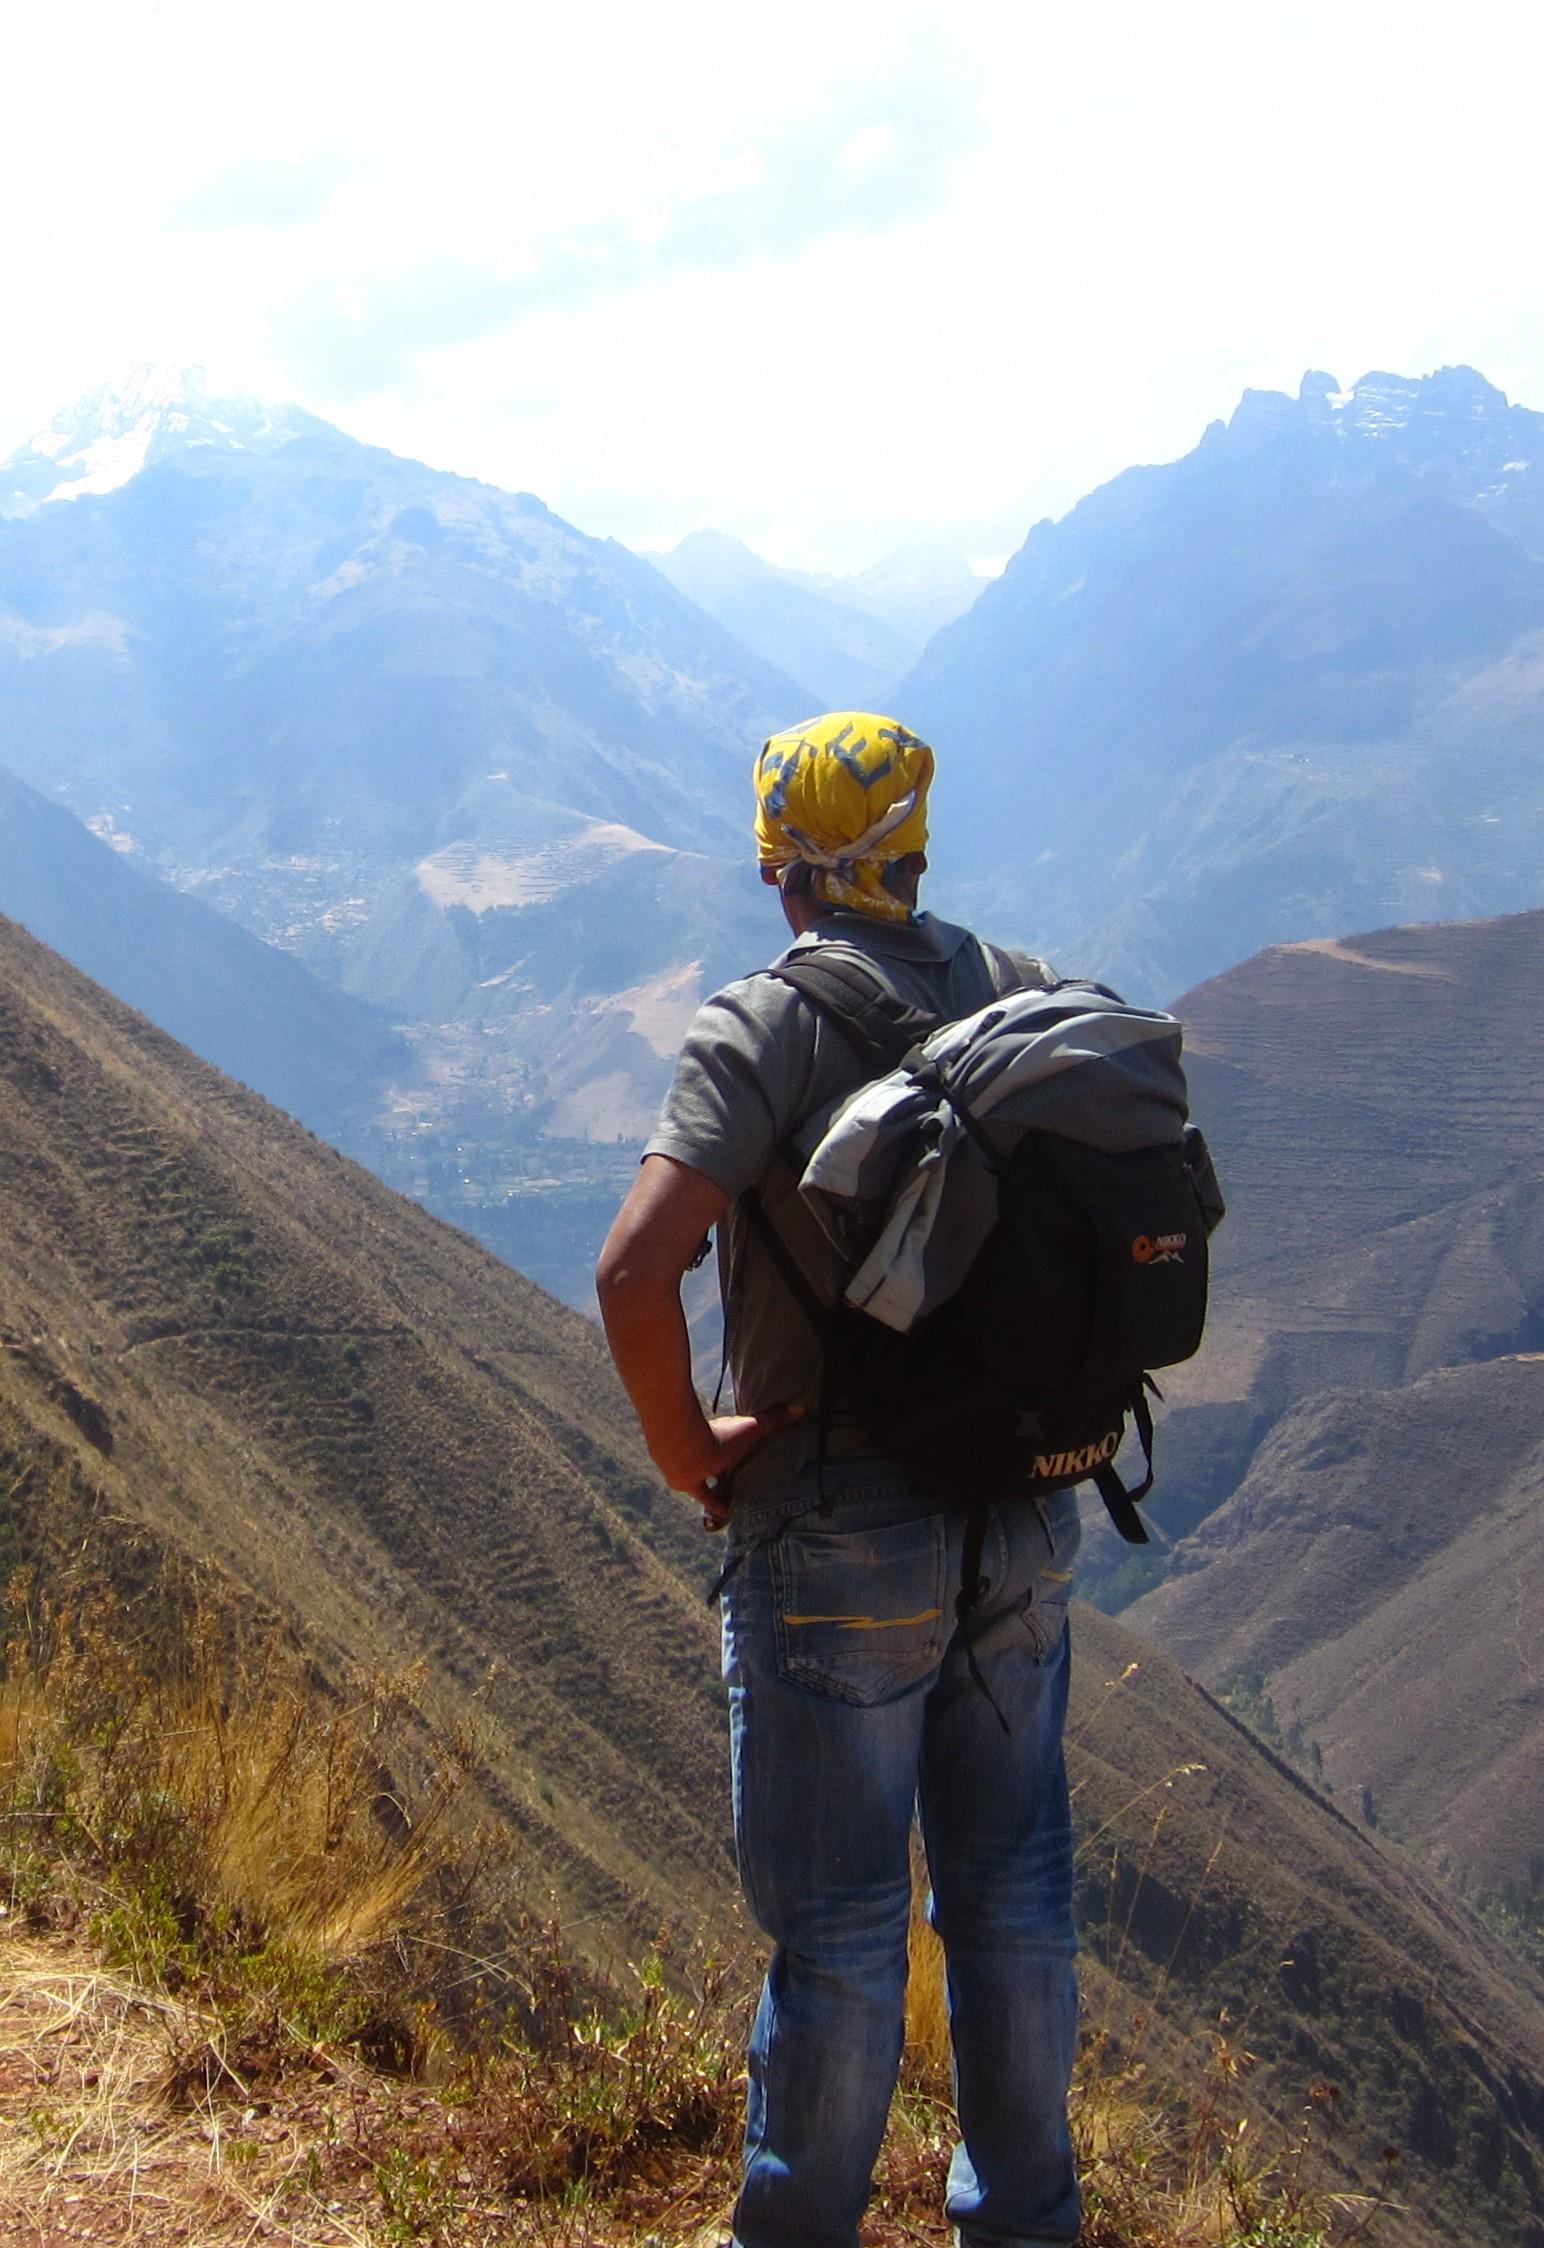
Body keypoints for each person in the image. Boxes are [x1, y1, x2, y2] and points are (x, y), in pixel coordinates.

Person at [593, 713, 1083, 2248]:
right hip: (1020, 1514)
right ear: (916, 846)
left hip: (837, 1533)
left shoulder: (767, 1029)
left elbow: (634, 1274)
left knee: (846, 1932)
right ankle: (1028, 2223)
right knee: (1013, 1895)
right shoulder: (1024, 993)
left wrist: (689, 1453)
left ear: (776, 861)